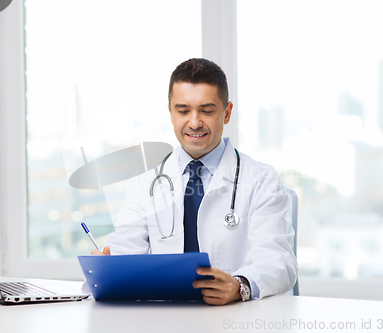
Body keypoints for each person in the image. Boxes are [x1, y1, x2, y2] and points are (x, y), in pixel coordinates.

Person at [92, 58, 297, 305]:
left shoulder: (262, 180)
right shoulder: (145, 182)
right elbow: (126, 248)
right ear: (170, 112)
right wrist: (110, 264)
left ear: (227, 113)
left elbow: (278, 261)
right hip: (167, 317)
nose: (194, 122)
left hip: (233, 318)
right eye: (183, 110)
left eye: (207, 110)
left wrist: (238, 285)